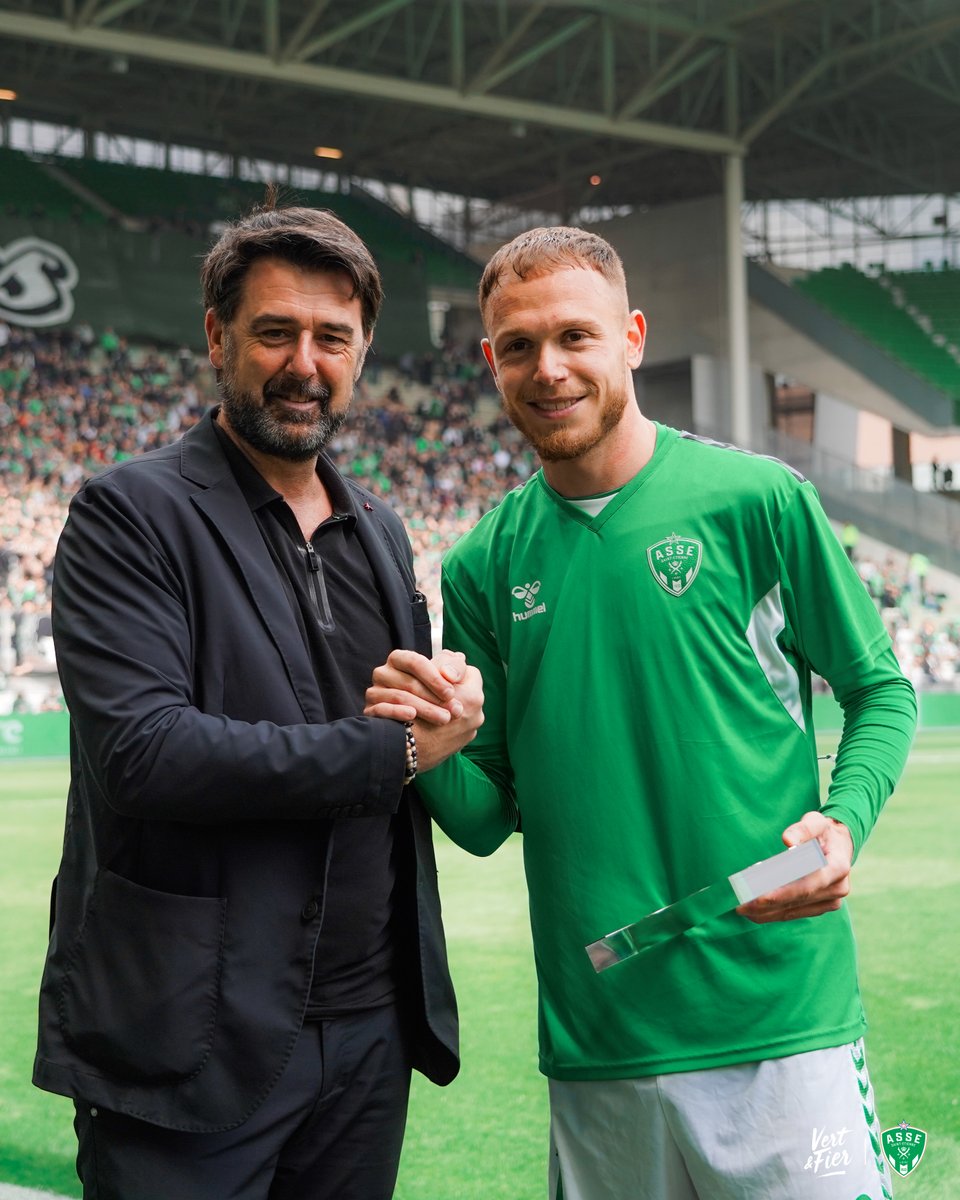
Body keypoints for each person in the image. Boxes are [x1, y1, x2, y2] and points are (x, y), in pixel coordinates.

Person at [365, 226, 917, 1200]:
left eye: (576, 337)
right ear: (491, 362)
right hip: (599, 1038)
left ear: (631, 337)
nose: (550, 368)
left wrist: (845, 819)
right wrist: (423, 745)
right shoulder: (485, 565)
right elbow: (490, 815)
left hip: (777, 1021)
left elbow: (879, 689)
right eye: (520, 347)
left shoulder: (758, 500)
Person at [33, 200, 483, 1200]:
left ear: (364, 349)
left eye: (333, 338)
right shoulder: (128, 513)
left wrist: (440, 695)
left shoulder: (382, 526)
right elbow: (145, 753)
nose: (304, 364)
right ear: (218, 336)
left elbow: (394, 717)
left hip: (368, 1028)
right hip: (191, 1033)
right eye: (275, 332)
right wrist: (391, 754)